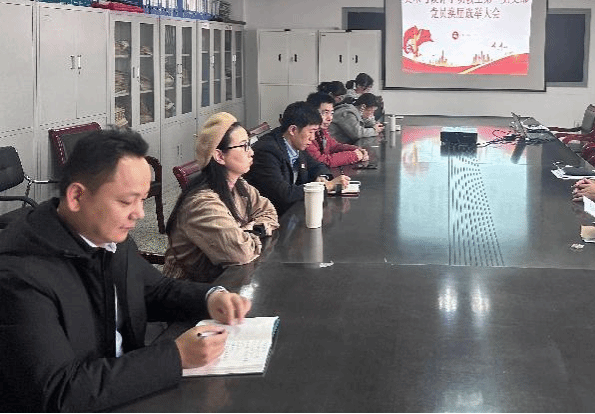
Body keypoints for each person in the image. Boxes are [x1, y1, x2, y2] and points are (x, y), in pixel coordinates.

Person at [0, 128, 252, 412]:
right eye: (125, 201)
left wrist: (210, 298)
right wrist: (175, 357)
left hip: (126, 388)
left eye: (141, 200)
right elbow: (60, 391)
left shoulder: (108, 237)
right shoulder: (19, 274)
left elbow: (154, 290)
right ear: (77, 197)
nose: (139, 214)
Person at [163, 112, 280, 283]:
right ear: (219, 156)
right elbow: (240, 252)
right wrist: (253, 231)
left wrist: (245, 233)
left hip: (225, 279)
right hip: (192, 289)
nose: (251, 152)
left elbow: (269, 211)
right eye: (244, 146)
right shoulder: (202, 203)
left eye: (250, 144)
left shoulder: (238, 185)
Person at [246, 101, 351, 215]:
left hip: (293, 211)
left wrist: (322, 177)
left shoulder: (294, 143)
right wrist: (327, 186)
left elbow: (317, 165)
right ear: (292, 130)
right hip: (275, 216)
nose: (312, 138)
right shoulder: (267, 151)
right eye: (311, 132)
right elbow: (284, 194)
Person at [305, 91, 370, 167]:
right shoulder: (306, 133)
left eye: (331, 113)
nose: (330, 118)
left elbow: (333, 146)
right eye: (325, 113)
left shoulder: (322, 130)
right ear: (312, 113)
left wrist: (356, 149)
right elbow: (322, 161)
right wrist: (354, 155)